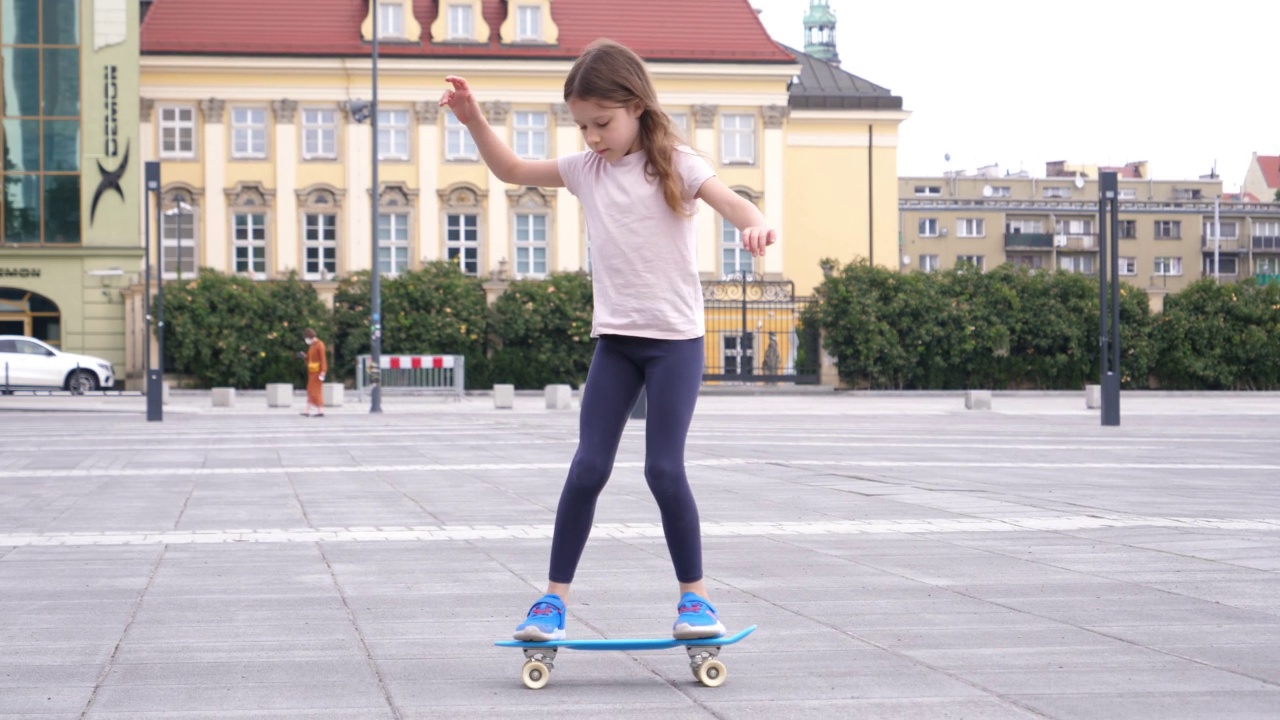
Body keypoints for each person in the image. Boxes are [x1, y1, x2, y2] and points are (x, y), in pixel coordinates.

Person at [440, 39, 776, 642]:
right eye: (582, 125)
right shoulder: (584, 170)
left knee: (663, 469)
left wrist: (755, 227)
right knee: (588, 467)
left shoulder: (676, 161)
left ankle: (695, 600)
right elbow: (513, 171)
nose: (592, 137)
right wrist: (474, 121)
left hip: (674, 342)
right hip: (617, 343)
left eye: (602, 123)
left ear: (637, 106)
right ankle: (552, 601)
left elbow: (732, 202)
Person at [301, 328, 327, 417]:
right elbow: (310, 359)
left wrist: (323, 371)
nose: (306, 340)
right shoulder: (312, 346)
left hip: (317, 372)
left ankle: (319, 410)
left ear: (310, 337)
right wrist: (305, 356)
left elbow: (323, 359)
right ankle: (308, 410)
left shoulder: (320, 345)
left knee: (315, 391)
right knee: (310, 390)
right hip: (312, 372)